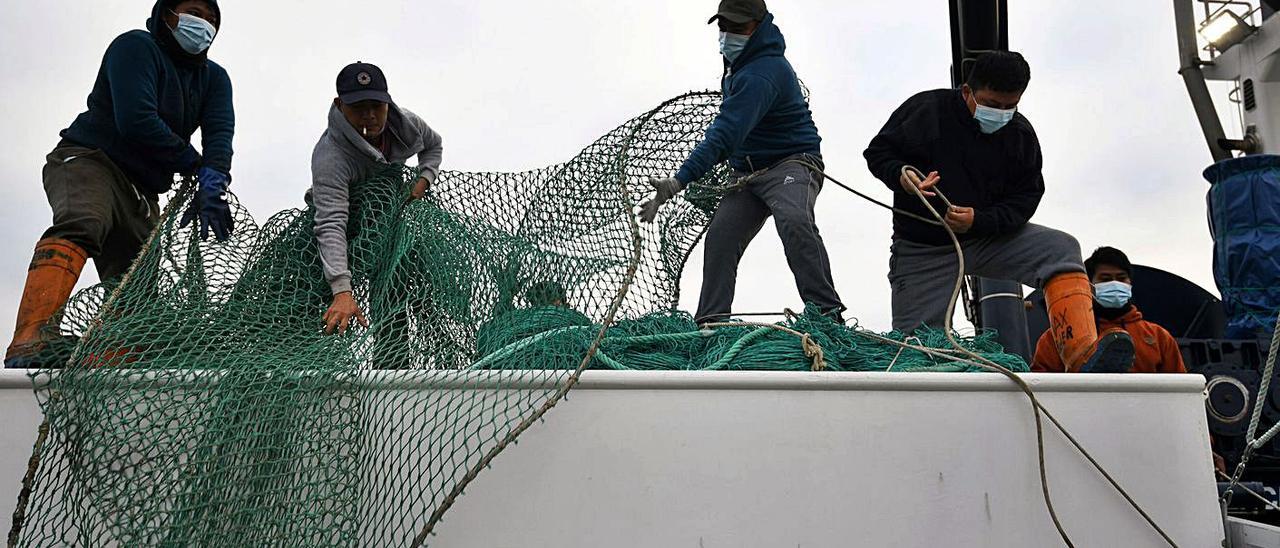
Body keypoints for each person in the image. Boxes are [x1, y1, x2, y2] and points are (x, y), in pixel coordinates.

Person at [862, 51, 1133, 373]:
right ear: (966, 92)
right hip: (924, 248)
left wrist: (981, 220)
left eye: (1010, 106)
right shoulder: (927, 110)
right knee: (916, 349)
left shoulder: (1020, 136)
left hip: (988, 238)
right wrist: (901, 177)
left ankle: (1082, 355)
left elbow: (1026, 197)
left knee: (1060, 248)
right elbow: (878, 152)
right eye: (992, 104)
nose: (1001, 113)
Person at [5, 0, 235, 368]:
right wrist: (195, 166)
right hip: (89, 158)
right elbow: (136, 119)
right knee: (85, 220)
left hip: (142, 189)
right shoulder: (135, 47)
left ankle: (113, 355)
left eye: (211, 19)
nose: (203, 24)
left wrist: (215, 181)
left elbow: (220, 135)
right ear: (167, 14)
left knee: (138, 278)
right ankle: (31, 335)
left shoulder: (215, 79)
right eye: (194, 12)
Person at [638, 0, 844, 324]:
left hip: (792, 164)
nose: (727, 34)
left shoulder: (763, 72)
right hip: (747, 174)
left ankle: (827, 314)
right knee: (721, 237)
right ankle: (709, 324)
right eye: (723, 27)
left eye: (737, 27)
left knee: (793, 219)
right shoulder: (736, 64)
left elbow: (724, 135)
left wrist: (679, 181)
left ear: (757, 27)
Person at [309, 62, 444, 335]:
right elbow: (331, 223)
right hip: (347, 231)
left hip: (390, 227)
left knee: (396, 297)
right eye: (358, 108)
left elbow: (434, 145)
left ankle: (393, 369)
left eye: (376, 106)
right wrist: (341, 289)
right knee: (328, 308)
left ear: (388, 102)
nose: (369, 116)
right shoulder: (330, 157)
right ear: (339, 105)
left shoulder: (408, 125)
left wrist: (423, 181)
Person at [1033, 248, 1186, 373]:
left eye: (1121, 278)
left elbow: (1182, 388)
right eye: (1105, 279)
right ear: (1089, 286)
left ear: (1130, 283)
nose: (1114, 283)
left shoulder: (1159, 337)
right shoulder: (1060, 335)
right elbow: (1040, 386)